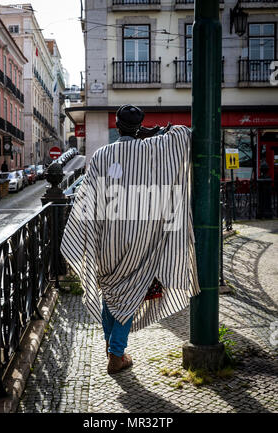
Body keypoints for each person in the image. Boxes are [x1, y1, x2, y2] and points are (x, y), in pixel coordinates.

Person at [61, 104, 200, 374]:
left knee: (109, 293)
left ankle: (111, 346)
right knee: (131, 294)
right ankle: (116, 354)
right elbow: (184, 133)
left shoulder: (103, 154)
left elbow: (88, 198)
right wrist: (155, 133)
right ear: (140, 125)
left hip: (107, 240)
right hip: (140, 240)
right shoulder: (152, 150)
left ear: (116, 124)